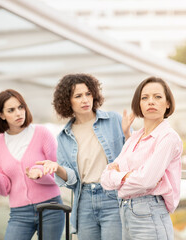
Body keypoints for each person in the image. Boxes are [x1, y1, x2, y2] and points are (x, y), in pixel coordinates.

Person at [31, 73, 132, 240]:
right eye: (78, 96)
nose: (85, 99)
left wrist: (128, 134)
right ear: (67, 101)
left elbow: (134, 154)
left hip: (112, 197)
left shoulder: (114, 120)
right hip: (84, 200)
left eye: (88, 94)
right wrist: (57, 168)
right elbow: (71, 179)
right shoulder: (64, 136)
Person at [0, 89, 64, 240]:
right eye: (11, 110)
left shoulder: (42, 133)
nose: (19, 113)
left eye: (21, 107)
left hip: (51, 207)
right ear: (1, 115)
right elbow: (4, 189)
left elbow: (58, 169)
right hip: (19, 213)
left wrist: (39, 172)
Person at [100, 77, 183, 240]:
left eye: (157, 97)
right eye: (144, 98)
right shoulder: (134, 137)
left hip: (150, 214)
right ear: (139, 104)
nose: (150, 102)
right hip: (126, 212)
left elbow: (146, 181)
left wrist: (120, 177)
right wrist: (129, 176)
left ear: (167, 103)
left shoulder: (168, 138)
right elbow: (104, 178)